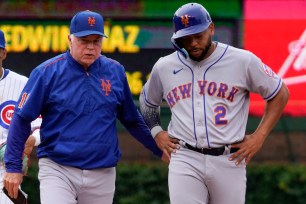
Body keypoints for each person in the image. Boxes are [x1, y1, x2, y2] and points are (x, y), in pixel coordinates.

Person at [3, 10, 167, 204]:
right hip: (58, 168)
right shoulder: (46, 73)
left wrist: (160, 150)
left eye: (96, 41)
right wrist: (13, 168)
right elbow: (21, 118)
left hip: (102, 171)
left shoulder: (115, 71)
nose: (90, 47)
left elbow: (131, 119)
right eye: (83, 40)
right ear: (69, 40)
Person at [139, 3, 290, 204]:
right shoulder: (165, 66)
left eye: (197, 36)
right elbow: (147, 100)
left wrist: (259, 137)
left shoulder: (242, 60)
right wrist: (156, 132)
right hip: (185, 157)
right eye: (185, 38)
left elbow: (280, 93)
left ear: (211, 28)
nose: (192, 43)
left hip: (229, 159)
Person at [0, 29, 41, 203]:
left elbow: (40, 124)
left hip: (6, 168)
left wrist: (30, 142)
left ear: (3, 52)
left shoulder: (22, 84)